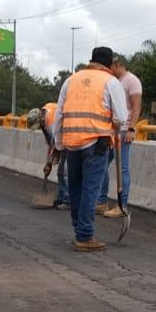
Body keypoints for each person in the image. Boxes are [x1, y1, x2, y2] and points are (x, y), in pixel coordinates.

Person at [53, 46, 128, 252]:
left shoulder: (71, 80)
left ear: (91, 60)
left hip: (71, 141)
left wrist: (58, 144)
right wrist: (115, 130)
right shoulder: (111, 82)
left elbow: (59, 114)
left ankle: (79, 229)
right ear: (110, 63)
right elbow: (121, 118)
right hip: (97, 142)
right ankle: (85, 236)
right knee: (91, 189)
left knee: (75, 187)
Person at [98, 54, 143, 218]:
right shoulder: (114, 82)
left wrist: (131, 128)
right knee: (102, 164)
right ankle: (101, 201)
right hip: (112, 130)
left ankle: (121, 205)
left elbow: (136, 107)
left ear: (116, 65)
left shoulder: (132, 81)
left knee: (122, 168)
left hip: (124, 131)